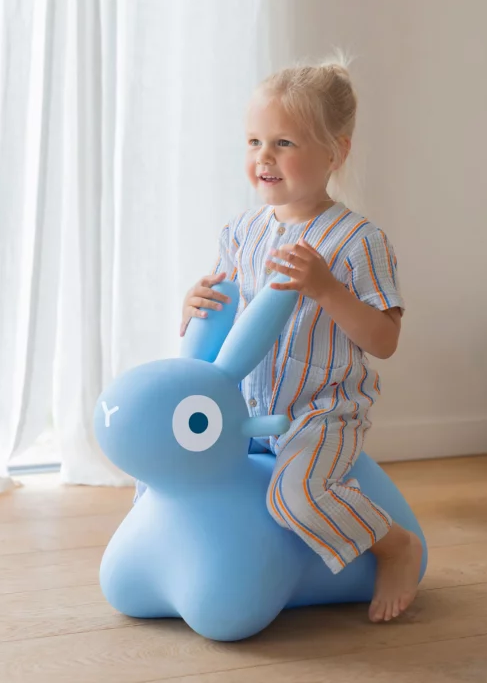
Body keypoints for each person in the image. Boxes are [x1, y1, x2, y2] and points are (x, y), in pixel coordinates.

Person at [180, 57, 423, 624]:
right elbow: (223, 322)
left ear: (335, 152)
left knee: (297, 497)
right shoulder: (241, 231)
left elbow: (385, 340)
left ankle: (395, 546)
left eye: (283, 143)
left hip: (320, 412)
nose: (263, 157)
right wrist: (193, 303)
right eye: (254, 141)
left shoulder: (358, 240)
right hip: (246, 410)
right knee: (177, 460)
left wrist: (328, 290)